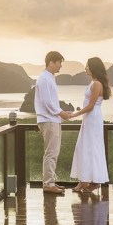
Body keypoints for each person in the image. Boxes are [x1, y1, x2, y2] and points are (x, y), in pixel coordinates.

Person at [69, 56, 112, 194]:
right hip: (90, 119)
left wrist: (74, 114)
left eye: (87, 66)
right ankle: (87, 180)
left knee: (91, 148)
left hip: (92, 118)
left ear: (93, 68)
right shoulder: (94, 83)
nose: (85, 68)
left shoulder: (96, 84)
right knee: (85, 147)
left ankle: (91, 181)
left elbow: (91, 106)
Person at [35, 50, 72, 194]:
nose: (60, 66)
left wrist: (61, 113)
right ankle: (48, 184)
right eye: (59, 63)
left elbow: (51, 102)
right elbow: (46, 102)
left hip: (53, 119)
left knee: (53, 152)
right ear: (51, 63)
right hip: (48, 120)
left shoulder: (49, 77)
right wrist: (60, 113)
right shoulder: (44, 79)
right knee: (51, 152)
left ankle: (51, 182)